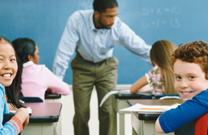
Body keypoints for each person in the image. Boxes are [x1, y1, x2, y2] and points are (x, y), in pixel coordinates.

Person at [52, 0, 152, 134]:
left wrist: (165, 63)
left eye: (115, 15)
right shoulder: (77, 20)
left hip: (107, 68)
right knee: (82, 113)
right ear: (97, 14)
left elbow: (141, 48)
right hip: (82, 67)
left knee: (107, 110)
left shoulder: (118, 26)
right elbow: (64, 52)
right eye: (109, 16)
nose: (113, 20)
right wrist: (56, 83)